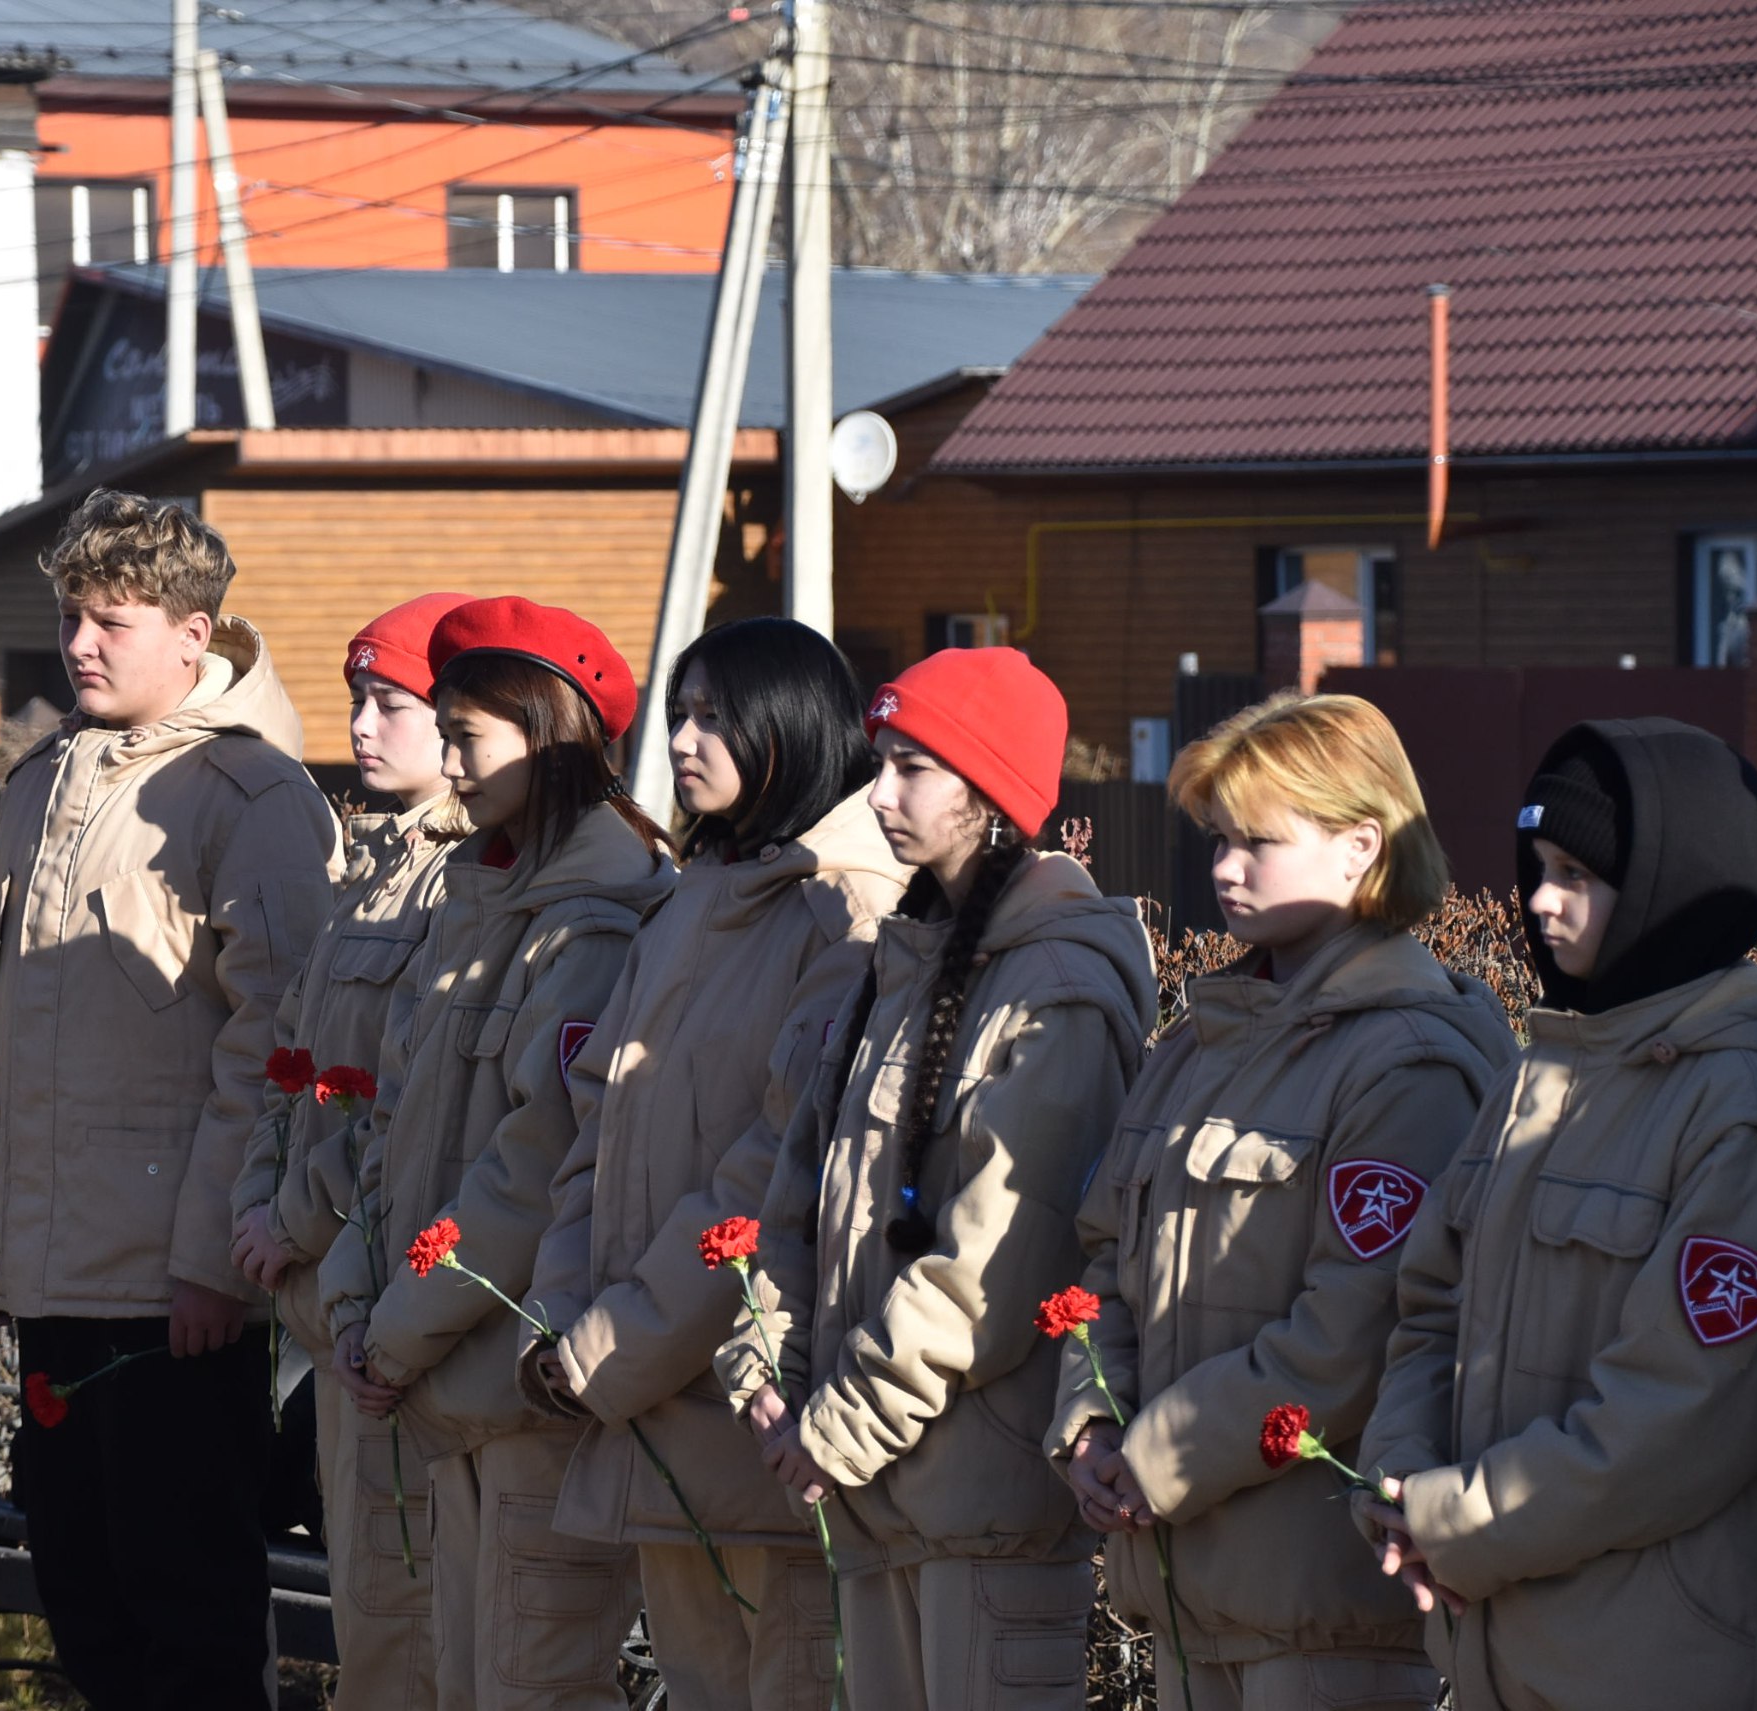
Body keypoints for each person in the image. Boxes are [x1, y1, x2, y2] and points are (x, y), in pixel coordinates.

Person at [1358, 718, 1757, 1711]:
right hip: (1510, 1660)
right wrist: (1394, 1481)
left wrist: (1455, 1520)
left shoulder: (1753, 1118)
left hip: (1668, 1672)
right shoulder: (1539, 1075)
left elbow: (1673, 1421)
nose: (1539, 900)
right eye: (1537, 865)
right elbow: (1428, 1311)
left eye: (1579, 875)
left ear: (1666, 887)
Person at [0, 489, 337, 1708]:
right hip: (52, 1274)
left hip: (176, 1295)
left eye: (111, 619)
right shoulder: (41, 782)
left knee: (192, 1611)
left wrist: (215, 1265)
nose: (79, 643)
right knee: (84, 1594)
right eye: (70, 615)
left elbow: (275, 1048)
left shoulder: (253, 797)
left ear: (195, 633)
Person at [1051, 693, 1515, 1711]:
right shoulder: (1204, 1042)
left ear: (1361, 845)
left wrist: (1157, 1454)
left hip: (1325, 1614)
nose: (1222, 867)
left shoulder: (1411, 1059)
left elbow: (1355, 1333)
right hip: (1189, 1593)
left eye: (1258, 841)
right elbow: (1105, 1262)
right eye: (1217, 838)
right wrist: (1089, 1420)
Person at [717, 646, 1156, 1711]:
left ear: (993, 794)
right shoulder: (899, 962)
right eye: (882, 761)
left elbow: (998, 1264)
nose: (879, 792)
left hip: (980, 1516)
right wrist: (762, 1360)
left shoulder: (1055, 988)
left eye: (912, 767)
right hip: (876, 1506)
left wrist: (837, 1426)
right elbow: (798, 1199)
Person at [519, 617, 908, 1711]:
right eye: (677, 714)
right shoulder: (692, 891)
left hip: (756, 1419)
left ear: (787, 725)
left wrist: (611, 1345)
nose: (684, 741)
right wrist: (556, 1319)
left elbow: (764, 1176)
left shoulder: (846, 910)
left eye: (714, 718)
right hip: (646, 1406)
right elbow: (594, 1120)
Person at [321, 597, 675, 1711]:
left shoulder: (597, 924)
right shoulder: (479, 903)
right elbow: (392, 1126)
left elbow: (530, 1168)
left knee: (532, 1687)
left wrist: (394, 1328)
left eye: (468, 738)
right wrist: (350, 1295)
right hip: (440, 1377)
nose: (452, 765)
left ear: (547, 736)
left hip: (518, 1388)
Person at [227, 591, 470, 1711]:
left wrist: (298, 1213)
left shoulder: (460, 883)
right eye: (356, 701)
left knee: (411, 1637)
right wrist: (257, 1193)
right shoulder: (367, 869)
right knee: (369, 1625)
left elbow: (401, 1106)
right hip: (329, 1304)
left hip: (395, 1306)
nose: (364, 726)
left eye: (393, 702)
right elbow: (292, 1062)